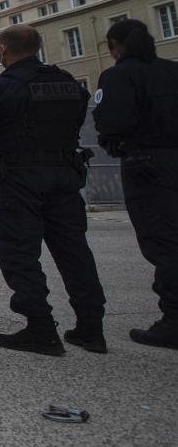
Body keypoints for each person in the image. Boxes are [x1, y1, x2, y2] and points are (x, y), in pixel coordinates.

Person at [0, 24, 106, 356]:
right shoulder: (69, 85)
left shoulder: (1, 89)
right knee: (75, 251)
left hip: (19, 177)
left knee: (19, 252)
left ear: (2, 49)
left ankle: (40, 326)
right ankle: (92, 327)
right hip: (64, 174)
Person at [93, 18, 178, 350]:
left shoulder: (118, 76)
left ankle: (173, 319)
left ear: (115, 45)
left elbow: (112, 122)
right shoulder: (172, 71)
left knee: (164, 242)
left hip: (147, 165)